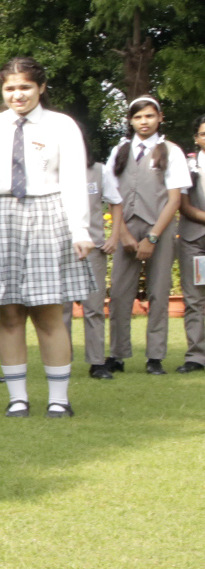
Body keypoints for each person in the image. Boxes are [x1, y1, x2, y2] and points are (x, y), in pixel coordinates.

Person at [0, 57, 95, 416]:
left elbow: (74, 180)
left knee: (50, 313)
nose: (18, 95)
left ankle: (59, 400)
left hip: (49, 214)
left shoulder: (62, 126)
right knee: (10, 314)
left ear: (41, 88)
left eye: (25, 87)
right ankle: (17, 397)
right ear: (2, 90)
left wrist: (80, 229)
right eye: (10, 88)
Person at [102, 95, 188, 375]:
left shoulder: (171, 151)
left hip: (159, 228)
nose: (144, 121)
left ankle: (155, 356)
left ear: (160, 118)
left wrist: (152, 238)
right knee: (119, 294)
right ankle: (117, 353)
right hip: (125, 226)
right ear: (130, 120)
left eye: (149, 116)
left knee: (159, 292)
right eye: (138, 117)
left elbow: (174, 199)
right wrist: (123, 234)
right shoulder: (120, 150)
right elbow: (112, 195)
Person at [71, 155, 114, 378]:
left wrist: (114, 235)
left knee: (94, 306)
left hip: (93, 245)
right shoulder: (49, 169)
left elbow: (116, 200)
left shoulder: (99, 170)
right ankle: (60, 361)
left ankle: (97, 362)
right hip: (58, 246)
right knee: (59, 309)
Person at [177, 116, 205, 373]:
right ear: (196, 138)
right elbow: (183, 206)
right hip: (195, 241)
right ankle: (196, 356)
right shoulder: (187, 166)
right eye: (204, 134)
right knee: (195, 299)